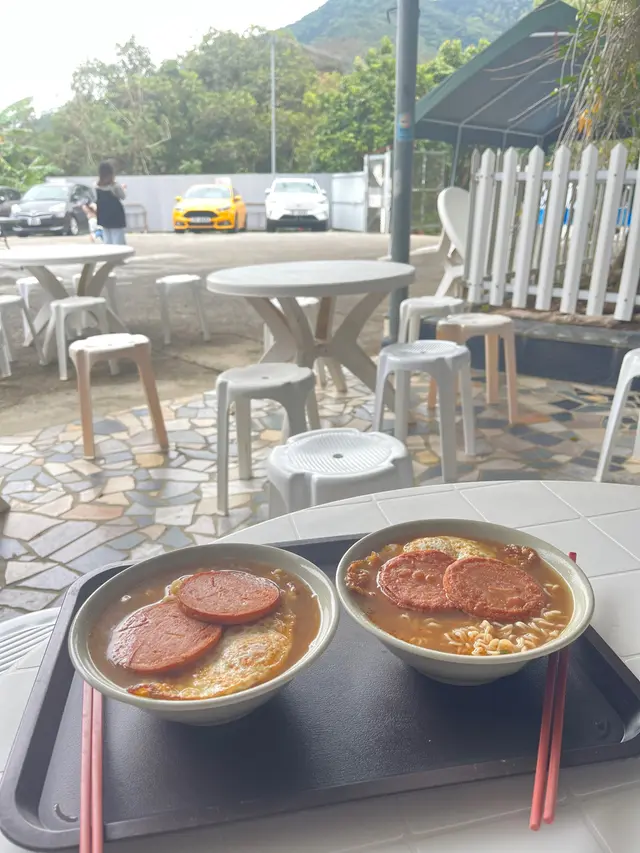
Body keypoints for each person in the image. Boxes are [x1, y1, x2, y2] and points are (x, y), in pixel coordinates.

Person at [95, 161, 127, 245]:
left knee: (107, 239)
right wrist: (123, 188)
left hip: (103, 215)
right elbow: (123, 196)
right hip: (116, 216)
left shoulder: (97, 186)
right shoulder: (115, 186)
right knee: (118, 239)